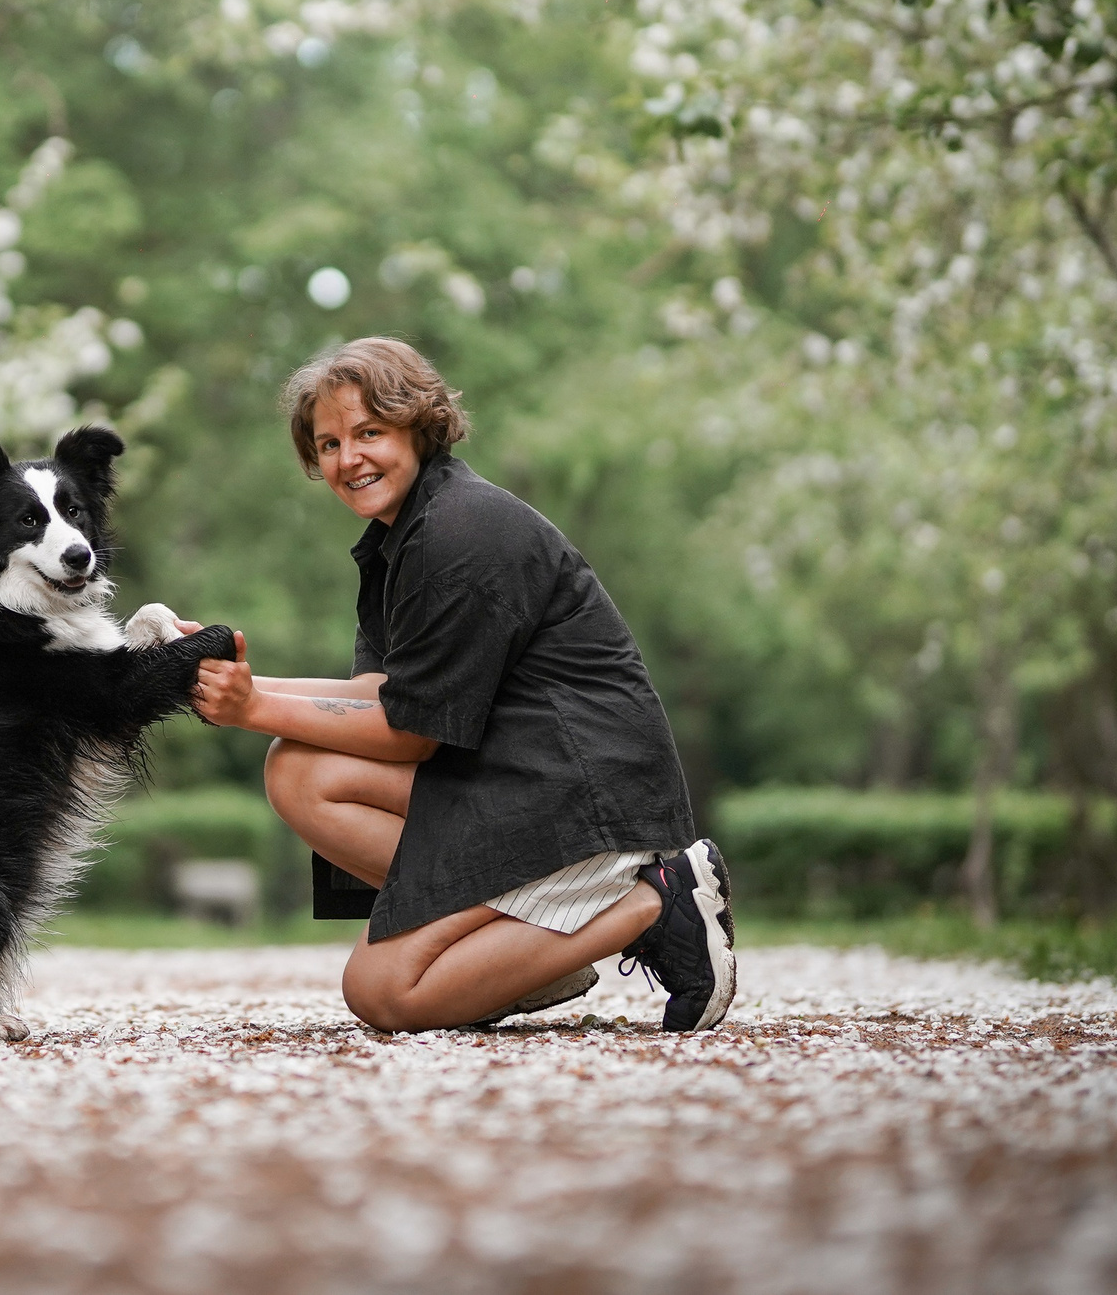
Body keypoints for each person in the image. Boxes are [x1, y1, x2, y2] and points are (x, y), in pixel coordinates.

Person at [186, 337, 737, 1033]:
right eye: (328, 444)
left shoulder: (459, 532)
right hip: (512, 776)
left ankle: (656, 904)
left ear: (419, 425)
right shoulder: (407, 537)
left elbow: (409, 734)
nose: (347, 458)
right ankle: (520, 960)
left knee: (382, 993)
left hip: (581, 796)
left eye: (369, 433)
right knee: (299, 769)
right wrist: (225, 680)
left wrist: (255, 707)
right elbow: (384, 692)